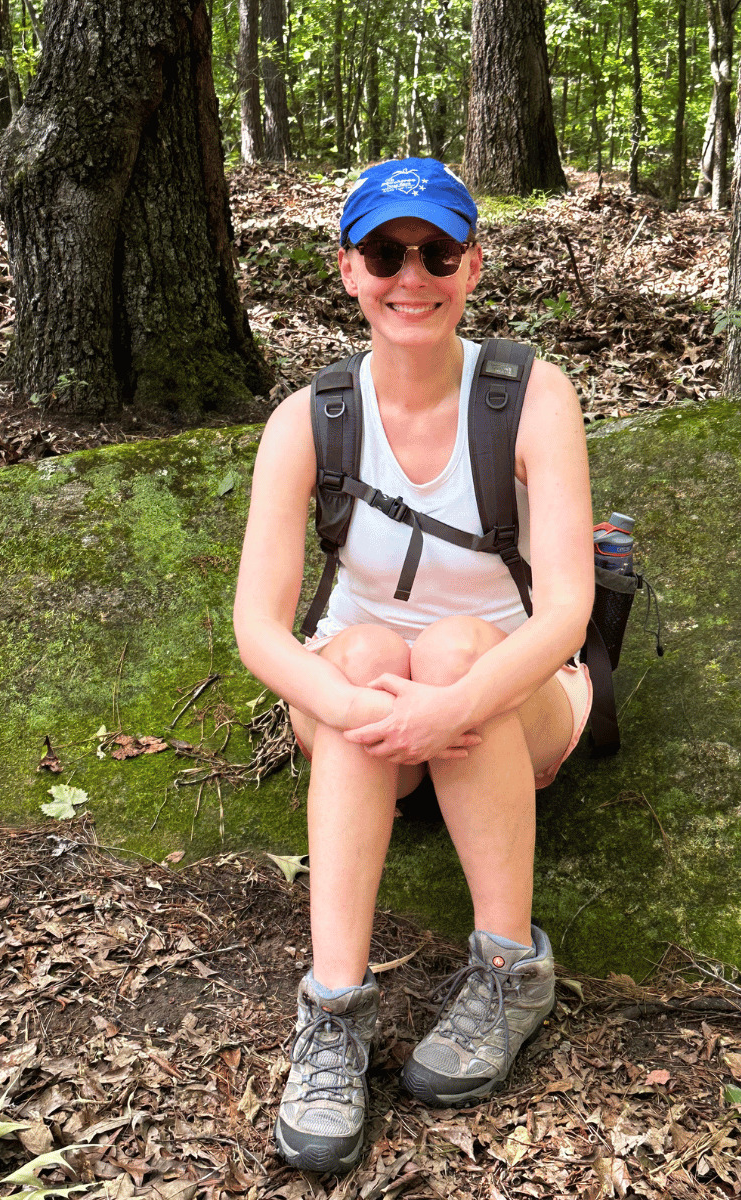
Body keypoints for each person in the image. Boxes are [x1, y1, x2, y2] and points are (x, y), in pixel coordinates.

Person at [232, 157, 595, 1174]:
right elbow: (259, 630)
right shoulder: (309, 418)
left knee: (449, 647)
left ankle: (509, 967)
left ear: (471, 266)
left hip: (511, 695)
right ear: (349, 272)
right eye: (386, 253)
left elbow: (564, 610)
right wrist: (354, 699)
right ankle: (335, 1012)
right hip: (368, 702)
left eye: (437, 252)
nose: (412, 276)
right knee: (363, 655)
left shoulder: (532, 396)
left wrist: (457, 704)